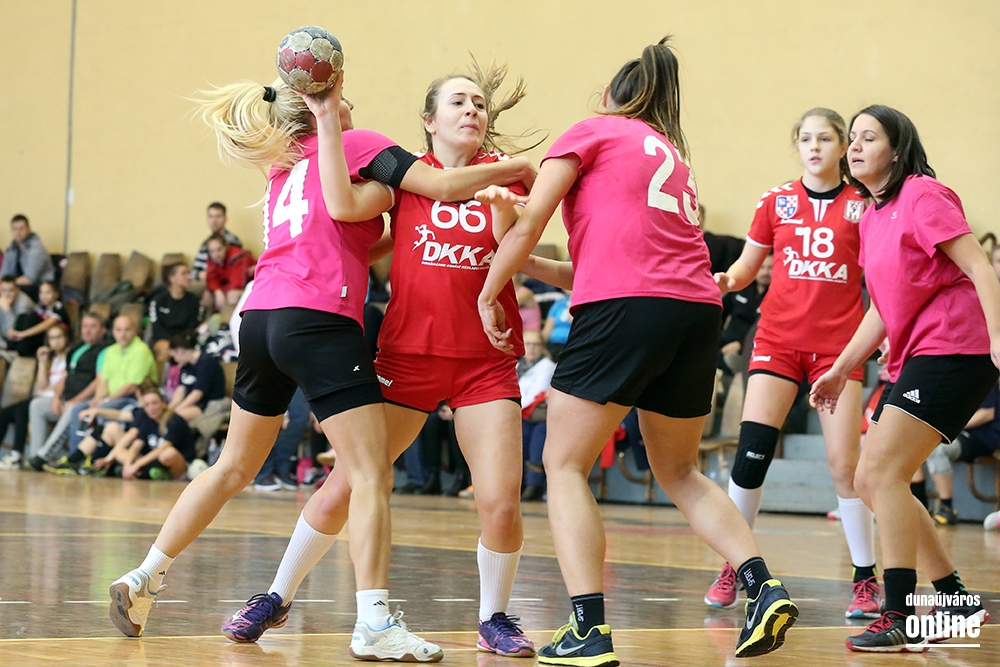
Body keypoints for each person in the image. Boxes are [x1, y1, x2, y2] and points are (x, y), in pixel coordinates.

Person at [108, 68, 532, 664]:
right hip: (361, 335)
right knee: (359, 479)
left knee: (237, 466)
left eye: (479, 103)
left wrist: (499, 211)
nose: (472, 109)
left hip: (293, 322)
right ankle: (329, 609)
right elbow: (375, 205)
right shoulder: (383, 162)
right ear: (428, 120)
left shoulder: (289, 166)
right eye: (458, 101)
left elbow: (356, 233)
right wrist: (523, 168)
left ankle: (146, 575)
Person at [476, 38, 797, 663]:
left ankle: (588, 629)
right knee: (680, 471)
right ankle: (763, 587)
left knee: (563, 464)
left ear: (608, 98)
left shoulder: (591, 131)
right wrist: (518, 262)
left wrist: (491, 291)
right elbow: (592, 267)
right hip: (695, 311)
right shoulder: (670, 155)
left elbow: (532, 222)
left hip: (627, 309)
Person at [811, 104, 999, 651]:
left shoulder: (923, 195)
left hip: (956, 348)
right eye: (853, 138)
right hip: (918, 355)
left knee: (881, 472)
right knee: (871, 480)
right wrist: (840, 369)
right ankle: (955, 599)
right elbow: (882, 308)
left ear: (897, 149)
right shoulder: (872, 216)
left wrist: (997, 336)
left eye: (869, 137)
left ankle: (896, 614)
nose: (855, 146)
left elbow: (979, 266)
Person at [707, 109, 879, 619]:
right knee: (751, 455)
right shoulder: (775, 201)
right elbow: (746, 268)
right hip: (777, 342)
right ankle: (735, 565)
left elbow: (880, 279)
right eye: (806, 139)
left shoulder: (863, 206)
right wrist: (725, 281)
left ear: (843, 146)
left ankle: (865, 579)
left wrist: (890, 332)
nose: (814, 147)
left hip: (838, 350)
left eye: (824, 138)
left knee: (845, 466)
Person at [47, 389, 197, 480]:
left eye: (155, 403)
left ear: (164, 403)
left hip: (177, 462)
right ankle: (145, 473)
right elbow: (137, 443)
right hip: (149, 460)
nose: (151, 408)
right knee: (119, 452)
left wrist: (135, 464)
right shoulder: (146, 417)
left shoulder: (174, 420)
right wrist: (128, 464)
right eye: (147, 404)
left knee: (167, 453)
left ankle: (166, 475)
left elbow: (162, 449)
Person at [26, 312, 110, 468]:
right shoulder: (76, 348)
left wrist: (75, 400)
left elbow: (98, 381)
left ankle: (43, 456)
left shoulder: (105, 350)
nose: (87, 330)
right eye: (85, 326)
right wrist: (57, 397)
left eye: (93, 326)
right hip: (66, 398)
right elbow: (65, 376)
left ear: (102, 330)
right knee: (37, 405)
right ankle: (34, 454)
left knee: (72, 409)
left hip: (85, 401)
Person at [66, 315, 158, 453]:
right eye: (119, 330)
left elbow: (132, 386)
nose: (123, 334)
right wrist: (97, 399)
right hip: (111, 398)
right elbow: (104, 380)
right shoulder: (111, 351)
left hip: (132, 398)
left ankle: (98, 453)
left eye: (127, 330)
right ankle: (76, 454)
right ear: (113, 332)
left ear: (135, 331)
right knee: (78, 409)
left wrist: (106, 400)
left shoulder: (141, 350)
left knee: (103, 409)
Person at [914, 383, 1000, 525]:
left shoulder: (983, 379)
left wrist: (951, 426)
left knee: (938, 450)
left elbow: (986, 414)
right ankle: (920, 506)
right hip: (957, 434)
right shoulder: (951, 382)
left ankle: (947, 508)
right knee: (913, 446)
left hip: (980, 438)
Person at [0, 326, 70, 469]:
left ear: (66, 338)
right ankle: (15, 454)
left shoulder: (69, 357)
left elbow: (63, 382)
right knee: (5, 413)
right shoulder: (53, 359)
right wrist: (42, 362)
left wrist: (46, 391)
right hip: (45, 397)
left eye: (58, 337)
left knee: (22, 410)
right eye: (52, 338)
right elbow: (42, 386)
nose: (55, 341)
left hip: (58, 399)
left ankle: (17, 456)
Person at [518, 329, 556, 501]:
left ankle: (535, 484)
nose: (531, 348)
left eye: (535, 344)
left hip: (543, 415)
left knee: (538, 436)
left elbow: (536, 393)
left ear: (542, 347)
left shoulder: (547, 366)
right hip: (523, 414)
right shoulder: (518, 367)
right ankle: (520, 483)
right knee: (518, 438)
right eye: (527, 344)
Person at [166, 333, 227, 422]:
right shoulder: (185, 365)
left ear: (180, 351)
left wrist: (174, 411)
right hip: (193, 404)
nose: (175, 360)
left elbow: (197, 394)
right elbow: (180, 391)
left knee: (174, 419)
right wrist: (168, 410)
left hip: (207, 404)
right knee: (164, 417)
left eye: (174, 356)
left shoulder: (206, 362)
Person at [148, 262, 201, 364]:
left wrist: (179, 342)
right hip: (163, 339)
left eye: (188, 273)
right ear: (172, 278)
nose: (188, 277)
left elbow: (193, 326)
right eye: (184, 273)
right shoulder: (158, 301)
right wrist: (170, 342)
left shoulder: (193, 300)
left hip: (184, 340)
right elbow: (157, 327)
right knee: (164, 347)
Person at [7, 280, 71, 358]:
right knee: (23, 316)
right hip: (39, 336)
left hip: (52, 337)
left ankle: (21, 352)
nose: (43, 296)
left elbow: (46, 325)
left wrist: (22, 334)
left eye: (47, 292)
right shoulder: (42, 307)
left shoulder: (58, 308)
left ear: (56, 294)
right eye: (41, 292)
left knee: (31, 319)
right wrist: (13, 332)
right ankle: (11, 349)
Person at [0, 215, 55, 301]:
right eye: (14, 229)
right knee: (6, 291)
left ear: (28, 229)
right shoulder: (12, 247)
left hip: (39, 288)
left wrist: (8, 285)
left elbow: (29, 279)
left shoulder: (37, 249)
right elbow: (4, 274)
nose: (17, 232)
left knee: (9, 292)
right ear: (11, 231)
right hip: (18, 285)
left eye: (21, 229)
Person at [202, 233, 253, 313]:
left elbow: (237, 284)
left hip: (250, 288)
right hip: (228, 287)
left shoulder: (238, 257)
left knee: (232, 295)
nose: (216, 254)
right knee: (207, 294)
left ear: (226, 247)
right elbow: (211, 279)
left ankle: (226, 320)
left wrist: (221, 292)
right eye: (212, 251)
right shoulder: (212, 260)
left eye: (219, 249)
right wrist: (217, 291)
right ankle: (208, 320)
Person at [192, 202, 243, 280]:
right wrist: (201, 275)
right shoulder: (205, 243)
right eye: (211, 216)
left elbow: (237, 270)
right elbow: (194, 271)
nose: (214, 221)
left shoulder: (232, 241)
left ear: (225, 218)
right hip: (207, 281)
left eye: (218, 216)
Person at [0, 277, 35, 350]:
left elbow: (14, 332)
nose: (7, 294)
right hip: (5, 340)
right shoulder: (2, 300)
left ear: (17, 290)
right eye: (4, 290)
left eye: (10, 290)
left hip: (22, 341)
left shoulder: (24, 304)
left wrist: (7, 310)